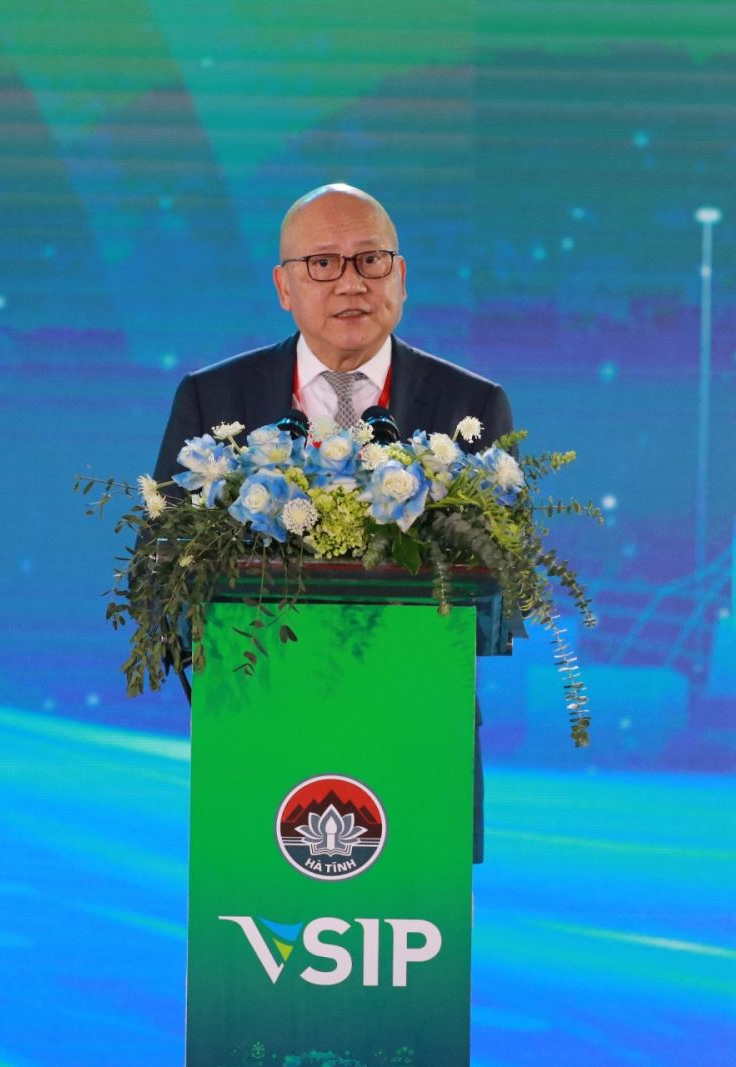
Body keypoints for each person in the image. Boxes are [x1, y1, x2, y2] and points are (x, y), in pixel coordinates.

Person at [150, 183, 512, 863]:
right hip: (258, 733)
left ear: (401, 277)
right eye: (322, 263)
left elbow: (501, 583)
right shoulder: (213, 399)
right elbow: (163, 571)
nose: (351, 282)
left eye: (371, 260)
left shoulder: (471, 405)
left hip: (419, 739)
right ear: (284, 287)